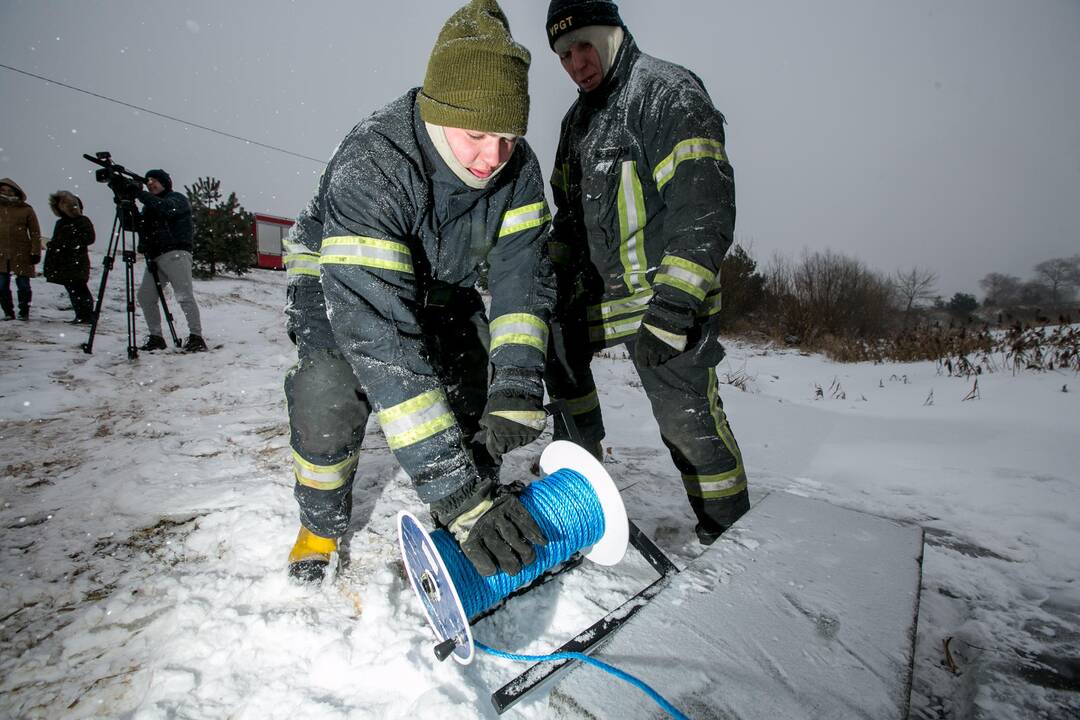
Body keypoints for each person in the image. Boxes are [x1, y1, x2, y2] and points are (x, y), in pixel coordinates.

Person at [282, 0, 555, 584]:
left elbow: (521, 284)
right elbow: (381, 340)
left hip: (441, 283)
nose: (493, 158)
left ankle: (467, 503)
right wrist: (457, 493)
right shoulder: (374, 162)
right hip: (340, 283)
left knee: (472, 386)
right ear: (436, 115)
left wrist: (515, 383)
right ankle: (321, 523)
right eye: (478, 134)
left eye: (509, 137)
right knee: (329, 390)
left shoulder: (519, 170)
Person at [542, 0, 749, 545]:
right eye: (564, 54)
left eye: (585, 45)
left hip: (664, 297)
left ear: (612, 33)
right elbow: (567, 222)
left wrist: (676, 304)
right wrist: (550, 294)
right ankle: (582, 501)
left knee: (687, 422)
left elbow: (702, 207)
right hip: (604, 299)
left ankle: (727, 536)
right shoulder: (576, 122)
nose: (577, 63)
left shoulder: (665, 93)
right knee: (557, 359)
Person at [112, 169, 207, 352]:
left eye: (155, 181)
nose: (151, 184)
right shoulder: (149, 206)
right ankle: (156, 337)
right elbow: (132, 225)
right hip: (155, 256)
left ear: (165, 182)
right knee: (145, 296)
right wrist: (122, 200)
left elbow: (167, 209)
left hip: (176, 253)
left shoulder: (176, 199)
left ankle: (196, 337)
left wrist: (140, 193)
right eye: (149, 182)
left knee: (184, 295)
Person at [43, 191, 96, 324]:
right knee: (73, 290)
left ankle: (87, 316)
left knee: (79, 289)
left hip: (76, 261)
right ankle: (81, 315)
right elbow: (58, 240)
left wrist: (65, 243)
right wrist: (54, 245)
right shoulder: (60, 223)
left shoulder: (82, 220)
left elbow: (89, 238)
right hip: (64, 263)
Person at [0, 178, 43, 321]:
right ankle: (8, 313)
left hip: (22, 252)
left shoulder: (26, 209)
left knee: (23, 285)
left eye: (9, 190)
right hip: (1, 253)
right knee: (1, 286)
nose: (6, 193)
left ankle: (24, 312)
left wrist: (35, 252)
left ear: (16, 192)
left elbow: (35, 233)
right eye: (3, 190)